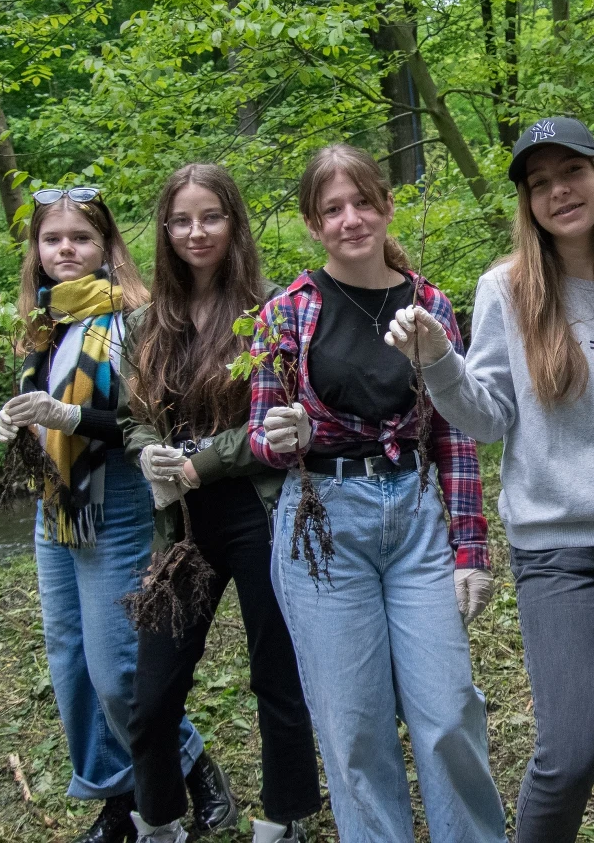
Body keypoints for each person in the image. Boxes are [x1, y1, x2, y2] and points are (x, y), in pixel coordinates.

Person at [386, 116, 594, 843]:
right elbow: (488, 418)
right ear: (527, 202)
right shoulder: (506, 289)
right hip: (557, 546)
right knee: (571, 750)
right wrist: (438, 361)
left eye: (572, 172)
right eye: (540, 183)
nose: (560, 192)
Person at [249, 144, 506, 843]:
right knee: (354, 726)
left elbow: (453, 432)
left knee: (449, 710)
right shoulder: (285, 314)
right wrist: (286, 436)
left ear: (387, 206)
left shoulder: (430, 305)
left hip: (416, 519)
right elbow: (258, 436)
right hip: (322, 527)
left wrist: (470, 549)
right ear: (312, 224)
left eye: (363, 202)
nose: (351, 219)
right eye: (332, 209)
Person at [117, 165, 321, 843]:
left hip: (257, 511)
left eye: (211, 217)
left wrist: (198, 463)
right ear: (165, 230)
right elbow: (132, 416)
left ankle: (283, 817)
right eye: (181, 220)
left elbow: (278, 418)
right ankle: (160, 821)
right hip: (179, 523)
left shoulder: (272, 309)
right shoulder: (148, 323)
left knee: (276, 675)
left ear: (234, 222)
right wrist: (147, 452)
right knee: (152, 690)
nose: (196, 232)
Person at [0, 186, 203, 843]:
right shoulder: (41, 322)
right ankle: (118, 797)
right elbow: (39, 404)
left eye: (80, 238)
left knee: (117, 670)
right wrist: (18, 420)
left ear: (107, 245)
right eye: (52, 239)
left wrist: (69, 417)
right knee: (72, 666)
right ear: (36, 249)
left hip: (117, 504)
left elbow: (150, 421)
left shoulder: (133, 319)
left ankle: (193, 768)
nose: (66, 250)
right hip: (55, 509)